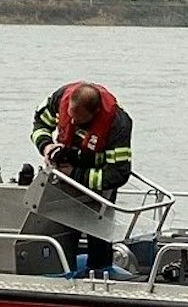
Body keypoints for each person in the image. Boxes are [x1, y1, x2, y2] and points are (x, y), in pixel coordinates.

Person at [30, 82, 134, 275]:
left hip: (97, 183)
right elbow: (40, 124)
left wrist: (76, 175)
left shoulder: (118, 124)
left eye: (80, 122)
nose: (74, 123)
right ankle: (61, 266)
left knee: (99, 231)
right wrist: (47, 146)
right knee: (60, 226)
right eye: (70, 117)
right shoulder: (60, 97)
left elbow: (118, 173)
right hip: (62, 177)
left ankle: (100, 268)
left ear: (94, 113)